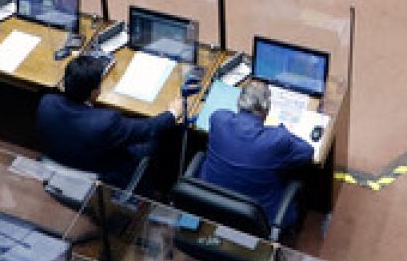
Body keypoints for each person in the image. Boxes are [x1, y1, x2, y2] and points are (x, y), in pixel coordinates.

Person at [36, 55, 181, 190]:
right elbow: (147, 128)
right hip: (100, 177)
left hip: (59, 168)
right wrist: (173, 113)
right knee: (155, 139)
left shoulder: (47, 103)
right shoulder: (106, 122)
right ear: (94, 92)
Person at [200, 79, 313, 227]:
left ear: (239, 102)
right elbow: (307, 152)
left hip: (211, 206)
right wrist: (281, 130)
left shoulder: (218, 119)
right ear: (266, 110)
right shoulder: (276, 139)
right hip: (257, 220)